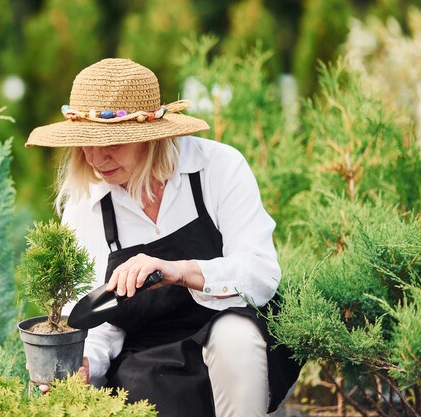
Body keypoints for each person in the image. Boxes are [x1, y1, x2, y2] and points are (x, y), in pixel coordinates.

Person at [26, 58, 301, 417]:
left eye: (111, 143)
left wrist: (178, 270)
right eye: (86, 143)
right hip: (148, 358)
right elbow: (95, 319)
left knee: (235, 335)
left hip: (231, 331)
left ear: (150, 137)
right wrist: (85, 366)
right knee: (143, 390)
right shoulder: (88, 203)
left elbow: (261, 276)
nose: (95, 158)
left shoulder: (217, 169)